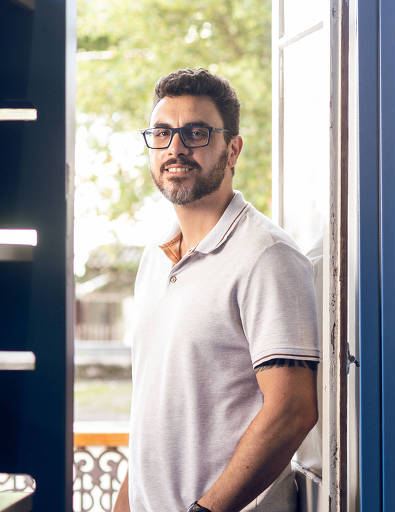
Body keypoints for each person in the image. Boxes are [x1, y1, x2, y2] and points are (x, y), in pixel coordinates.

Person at [113, 68, 320, 512]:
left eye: (197, 133)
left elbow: (293, 410)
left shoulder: (267, 256)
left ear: (233, 149)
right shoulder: (155, 257)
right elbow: (155, 414)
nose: (176, 148)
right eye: (163, 133)